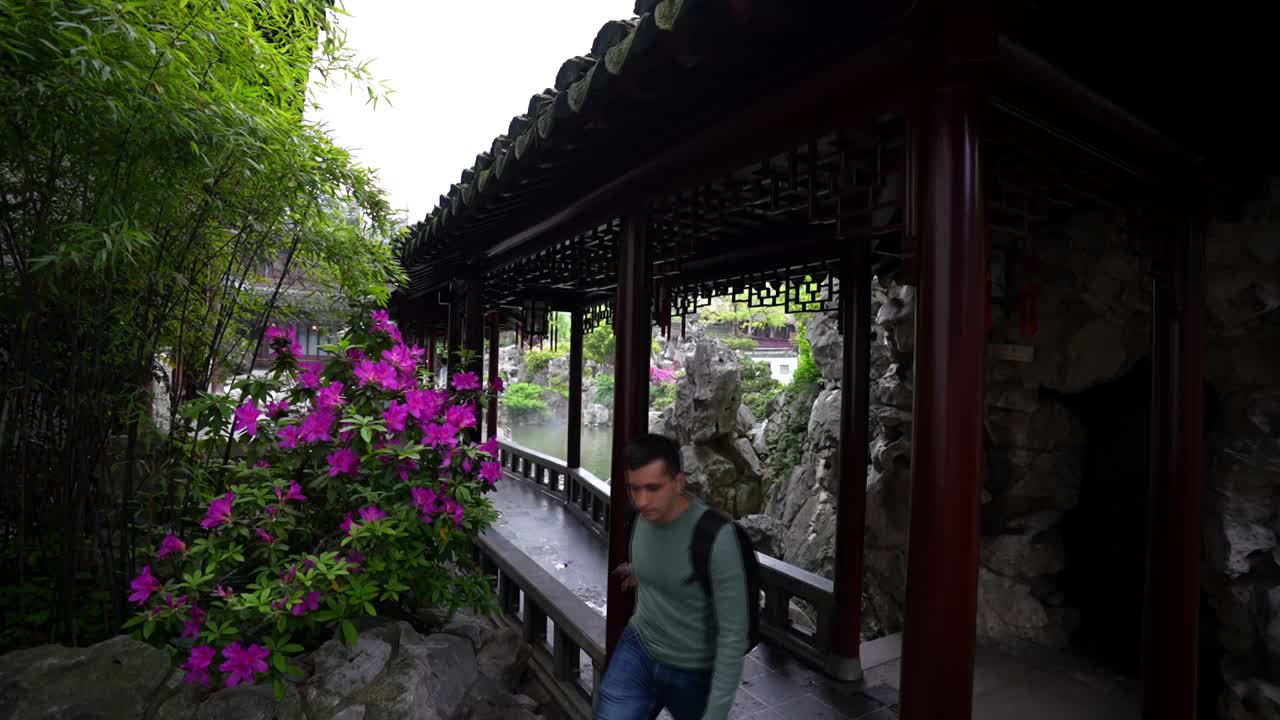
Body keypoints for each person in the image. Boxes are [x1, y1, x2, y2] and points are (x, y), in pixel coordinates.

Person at [594, 433, 749, 720]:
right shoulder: (640, 517)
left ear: (679, 482)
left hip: (692, 666)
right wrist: (639, 572)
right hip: (639, 646)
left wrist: (715, 713)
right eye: (634, 489)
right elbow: (667, 565)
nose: (641, 500)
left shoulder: (716, 538)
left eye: (653, 488)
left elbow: (733, 634)